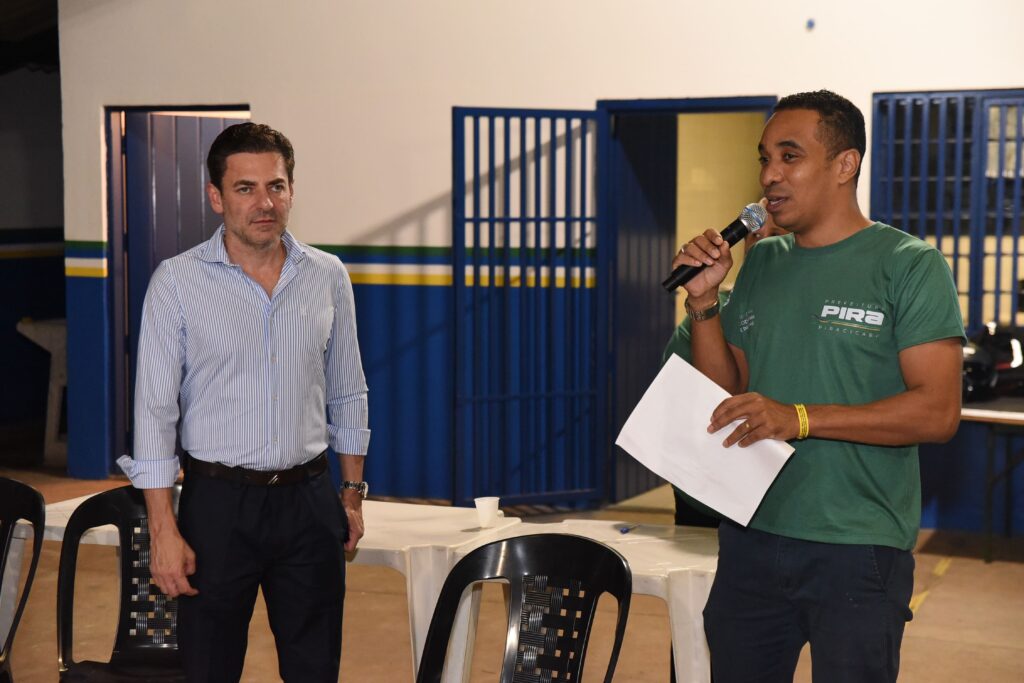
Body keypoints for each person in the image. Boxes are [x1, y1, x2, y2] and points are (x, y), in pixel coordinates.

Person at [673, 90, 964, 682]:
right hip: (751, 536)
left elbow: (937, 412)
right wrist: (704, 303)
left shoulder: (909, 265)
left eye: (789, 156)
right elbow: (726, 393)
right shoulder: (765, 261)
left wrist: (799, 418)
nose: (769, 175)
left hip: (857, 547)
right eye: (763, 159)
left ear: (844, 165)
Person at [116, 122, 370, 682]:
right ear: (216, 196)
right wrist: (163, 529)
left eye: (276, 186)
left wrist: (350, 494)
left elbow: (348, 390)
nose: (264, 203)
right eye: (245, 188)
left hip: (308, 503)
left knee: (315, 669)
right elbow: (155, 413)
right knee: (210, 669)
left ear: (292, 191)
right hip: (217, 508)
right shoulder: (177, 283)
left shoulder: (327, 276)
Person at [663, 216, 789, 528]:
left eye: (777, 235)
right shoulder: (713, 310)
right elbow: (699, 395)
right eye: (755, 236)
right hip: (706, 497)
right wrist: (703, 303)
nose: (763, 244)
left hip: (785, 505)